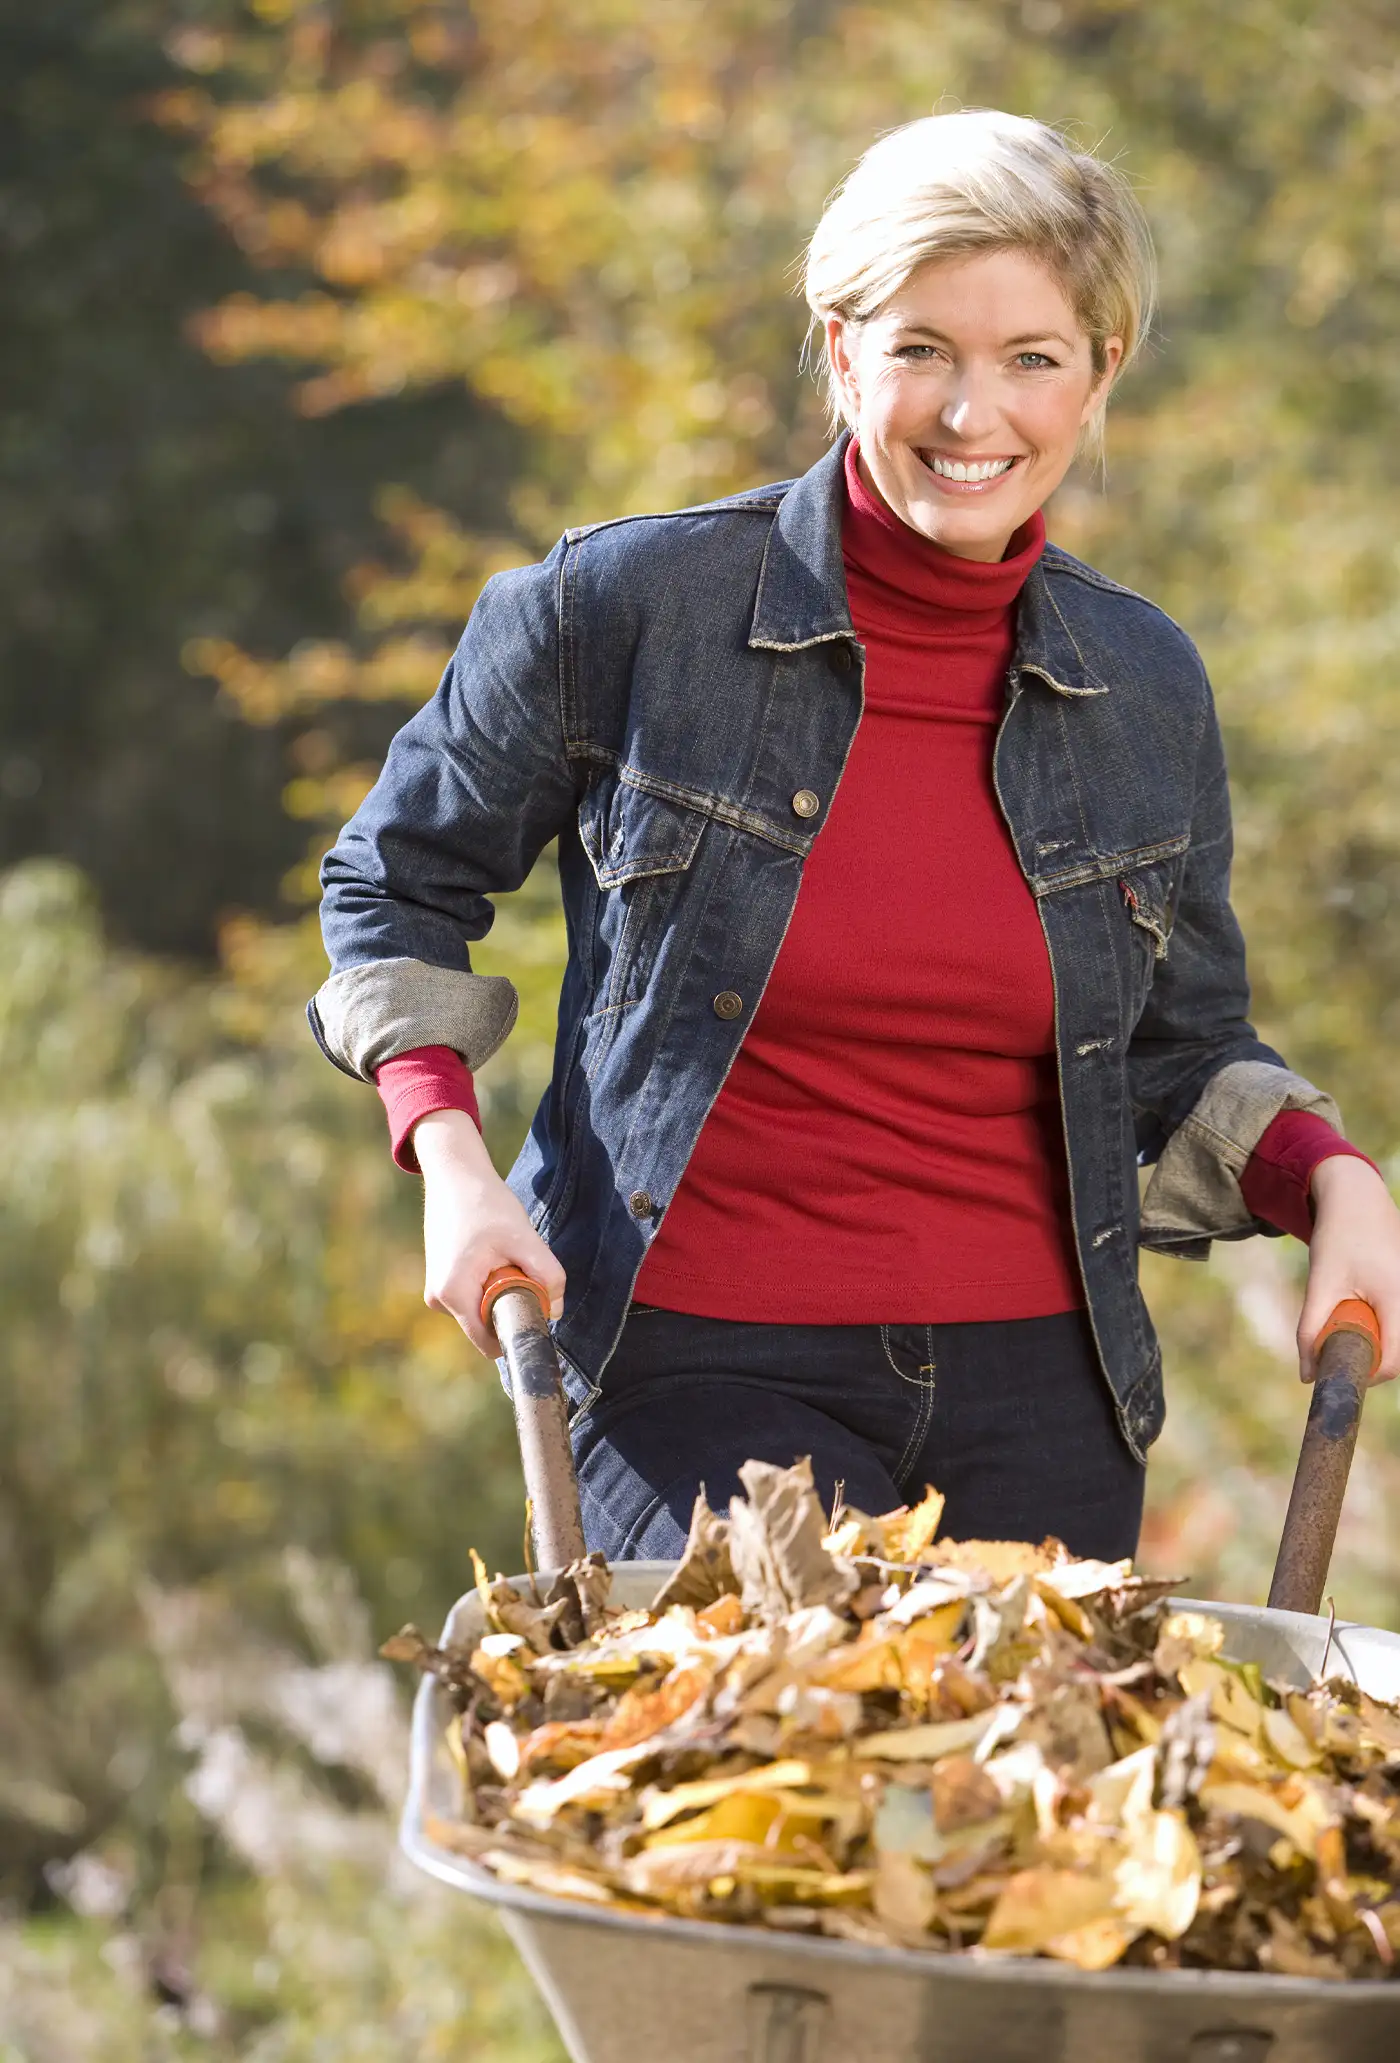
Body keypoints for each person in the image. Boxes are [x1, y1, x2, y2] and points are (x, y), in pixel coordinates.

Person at [310, 110, 1400, 1563]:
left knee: (1034, 1788)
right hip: (696, 1367)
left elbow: (1184, 1040)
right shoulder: (624, 609)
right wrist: (450, 1157)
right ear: (841, 350)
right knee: (807, 1732)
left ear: (1100, 374)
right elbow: (393, 881)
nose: (974, 416)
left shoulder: (1145, 683)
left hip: (1046, 1396)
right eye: (922, 351)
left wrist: (1337, 1173)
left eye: (1033, 359)